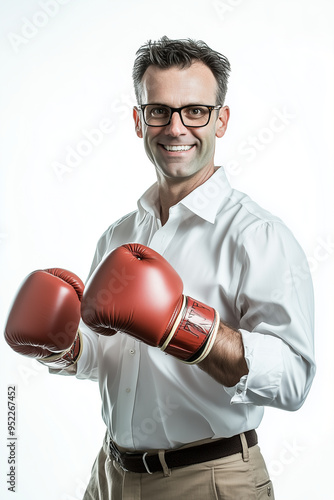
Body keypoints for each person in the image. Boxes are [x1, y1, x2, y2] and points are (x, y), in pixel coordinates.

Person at [5, 36, 316, 499]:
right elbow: (107, 356)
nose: (176, 128)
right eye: (159, 111)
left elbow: (293, 381)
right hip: (109, 474)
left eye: (195, 111)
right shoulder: (119, 235)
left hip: (209, 479)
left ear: (221, 120)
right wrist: (65, 346)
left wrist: (185, 326)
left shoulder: (258, 235)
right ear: (138, 120)